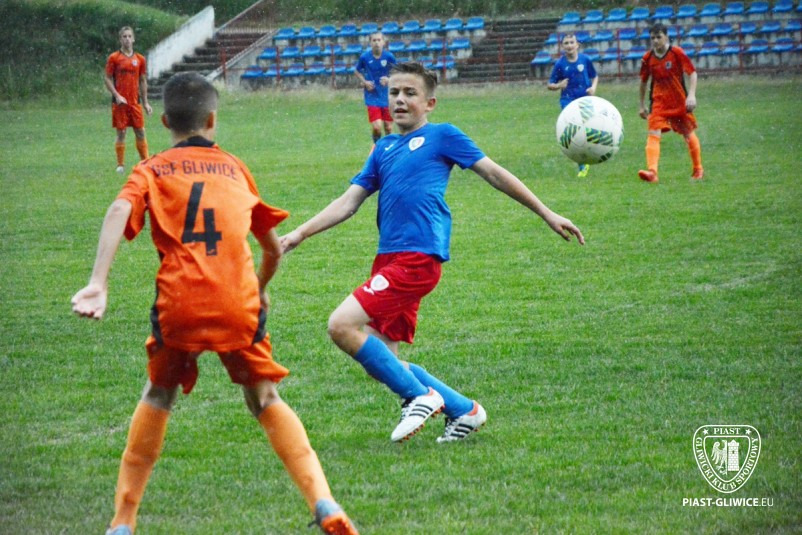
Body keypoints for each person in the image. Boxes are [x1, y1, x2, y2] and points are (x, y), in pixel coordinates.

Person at [72, 72, 358, 535]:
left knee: (158, 394)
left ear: (165, 121)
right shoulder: (234, 167)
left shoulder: (152, 169)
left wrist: (97, 283)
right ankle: (323, 501)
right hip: (237, 302)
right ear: (212, 120)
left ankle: (123, 521)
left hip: (179, 303)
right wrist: (260, 286)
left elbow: (120, 209)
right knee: (265, 397)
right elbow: (272, 247)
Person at [280, 62, 584, 444]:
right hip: (388, 259)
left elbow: (494, 173)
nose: (400, 100)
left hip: (418, 258)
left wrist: (546, 212)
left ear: (430, 103)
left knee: (341, 325)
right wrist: (300, 233)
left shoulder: (443, 136)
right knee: (385, 361)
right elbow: (349, 201)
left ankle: (419, 397)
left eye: (410, 93)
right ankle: (464, 410)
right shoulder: (383, 148)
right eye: (394, 92)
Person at [637, 23, 703, 183]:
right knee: (653, 133)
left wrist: (691, 95)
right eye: (652, 38)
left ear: (666, 37)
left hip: (679, 101)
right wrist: (642, 105)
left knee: (688, 133)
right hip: (658, 103)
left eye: (658, 37)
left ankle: (698, 169)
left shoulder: (676, 53)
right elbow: (643, 82)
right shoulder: (648, 58)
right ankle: (652, 172)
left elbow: (692, 73)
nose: (655, 41)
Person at [547, 33, 599, 178]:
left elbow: (595, 76)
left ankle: (593, 153)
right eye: (566, 43)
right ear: (562, 46)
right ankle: (582, 165)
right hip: (567, 101)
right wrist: (559, 85)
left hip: (585, 100)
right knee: (574, 132)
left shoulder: (585, 60)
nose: (569, 45)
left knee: (589, 129)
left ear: (577, 45)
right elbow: (550, 84)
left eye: (571, 42)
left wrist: (593, 88)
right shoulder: (560, 64)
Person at [105, 26, 153, 174]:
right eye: (124, 36)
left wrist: (145, 102)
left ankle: (145, 163)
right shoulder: (114, 58)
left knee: (140, 131)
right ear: (120, 39)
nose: (127, 39)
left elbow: (143, 80)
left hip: (135, 102)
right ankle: (120, 165)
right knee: (121, 132)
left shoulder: (140, 59)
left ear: (133, 39)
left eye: (129, 36)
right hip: (120, 103)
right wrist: (117, 95)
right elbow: (107, 78)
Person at [353, 31, 397, 143]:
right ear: (370, 43)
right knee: (377, 127)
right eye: (374, 40)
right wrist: (365, 82)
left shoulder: (389, 57)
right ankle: (376, 146)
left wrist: (389, 79)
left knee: (388, 127)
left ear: (383, 42)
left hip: (387, 96)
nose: (376, 43)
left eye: (379, 40)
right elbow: (357, 71)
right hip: (372, 96)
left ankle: (388, 149)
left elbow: (398, 72)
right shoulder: (365, 57)